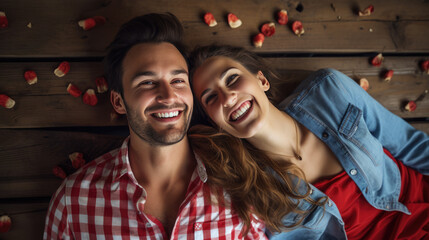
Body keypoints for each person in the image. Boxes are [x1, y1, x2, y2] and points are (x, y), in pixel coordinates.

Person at [43, 15, 267, 239]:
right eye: (147, 83)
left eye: (178, 80)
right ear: (118, 102)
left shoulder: (240, 185)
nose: (169, 96)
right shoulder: (73, 202)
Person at [188, 45, 429, 239]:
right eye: (211, 97)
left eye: (232, 79)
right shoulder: (246, 189)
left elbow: (411, 144)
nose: (228, 97)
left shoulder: (330, 90)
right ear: (214, 122)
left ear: (261, 80)